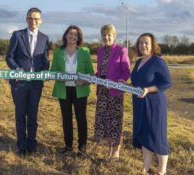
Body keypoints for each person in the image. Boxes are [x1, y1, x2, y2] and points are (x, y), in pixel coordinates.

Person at [6, 7, 50, 156]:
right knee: (20, 115)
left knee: (33, 116)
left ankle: (32, 145)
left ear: (41, 21)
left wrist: (45, 69)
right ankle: (21, 146)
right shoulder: (17, 35)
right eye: (31, 18)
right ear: (26, 19)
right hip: (19, 83)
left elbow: (45, 60)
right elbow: (9, 57)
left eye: (36, 18)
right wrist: (16, 68)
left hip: (36, 84)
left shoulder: (44, 38)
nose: (33, 21)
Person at [131, 33, 171, 175]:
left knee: (156, 135)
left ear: (153, 45)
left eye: (146, 43)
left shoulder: (158, 61)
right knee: (143, 134)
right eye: (141, 42)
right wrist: (127, 85)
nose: (143, 45)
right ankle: (146, 167)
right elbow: (137, 82)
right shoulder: (138, 62)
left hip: (154, 104)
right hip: (139, 103)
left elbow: (166, 83)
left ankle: (162, 169)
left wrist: (148, 89)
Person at [50, 25, 94, 156]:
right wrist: (60, 77)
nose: (73, 36)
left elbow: (90, 73)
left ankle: (82, 148)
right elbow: (53, 72)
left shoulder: (85, 51)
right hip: (63, 90)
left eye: (76, 35)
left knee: (81, 118)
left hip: (80, 90)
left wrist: (84, 81)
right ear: (65, 35)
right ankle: (68, 146)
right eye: (70, 34)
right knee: (66, 119)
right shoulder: (58, 52)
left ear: (79, 38)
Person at [93, 24, 130, 160]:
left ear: (114, 36)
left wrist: (122, 80)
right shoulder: (100, 51)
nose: (106, 37)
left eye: (109, 35)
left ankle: (116, 152)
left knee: (115, 122)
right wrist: (94, 77)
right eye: (104, 35)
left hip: (115, 92)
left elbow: (126, 71)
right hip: (102, 92)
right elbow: (100, 71)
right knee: (105, 122)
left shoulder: (121, 50)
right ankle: (110, 150)